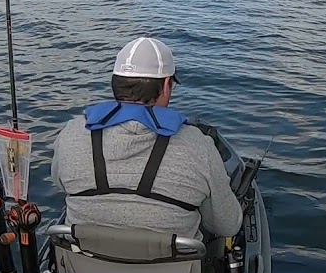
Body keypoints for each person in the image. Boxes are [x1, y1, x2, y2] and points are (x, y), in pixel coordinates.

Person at [51, 36, 243, 240]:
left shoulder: (70, 134)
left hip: (79, 269)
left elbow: (60, 183)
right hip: (172, 272)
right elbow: (227, 226)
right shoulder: (198, 146)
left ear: (115, 83)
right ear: (167, 84)